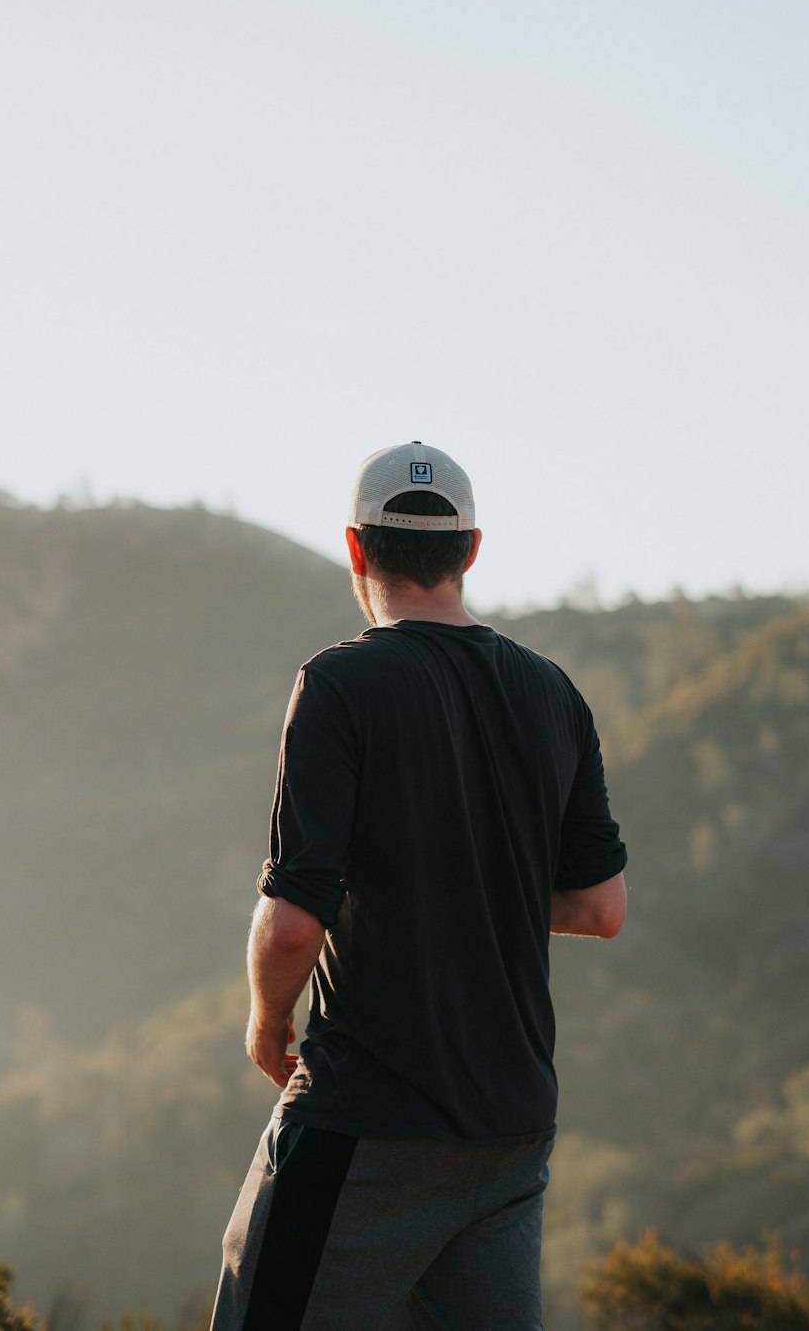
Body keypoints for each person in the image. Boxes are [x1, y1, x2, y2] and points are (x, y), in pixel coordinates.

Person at [209, 441, 627, 1331]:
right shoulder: (555, 695)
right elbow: (600, 907)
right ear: (471, 550)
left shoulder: (341, 682)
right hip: (509, 1131)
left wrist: (264, 1022)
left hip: (370, 1114)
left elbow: (292, 926)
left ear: (356, 550)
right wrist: (477, 891)